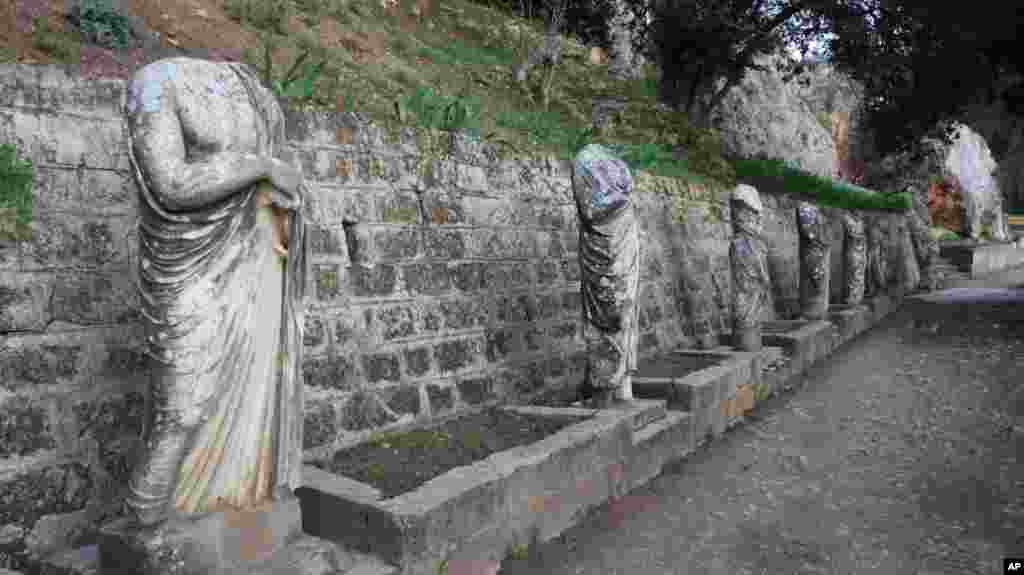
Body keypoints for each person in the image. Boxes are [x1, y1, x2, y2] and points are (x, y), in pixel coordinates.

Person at [123, 57, 307, 525]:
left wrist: (283, 194)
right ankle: (147, 526)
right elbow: (172, 185)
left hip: (255, 255)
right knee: (184, 403)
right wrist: (260, 167)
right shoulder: (154, 83)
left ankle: (233, 506)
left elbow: (288, 179)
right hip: (187, 263)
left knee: (253, 386)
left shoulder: (254, 92)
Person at [572, 144, 640, 407]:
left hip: (608, 252)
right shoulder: (626, 210)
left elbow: (590, 209)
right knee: (622, 314)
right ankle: (623, 388)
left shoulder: (585, 163)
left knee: (609, 318)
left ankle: (606, 391)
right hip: (621, 246)